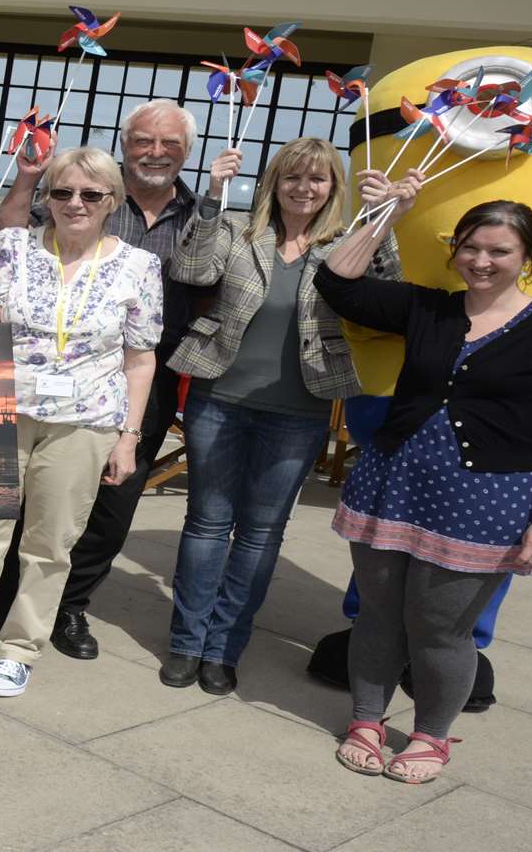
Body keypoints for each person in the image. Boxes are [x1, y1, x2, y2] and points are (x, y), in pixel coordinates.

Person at [318, 189, 532, 784]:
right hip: (390, 484)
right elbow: (338, 281)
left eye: (499, 250)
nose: (481, 260)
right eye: (470, 247)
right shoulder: (430, 310)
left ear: (527, 256)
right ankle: (367, 720)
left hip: (483, 501)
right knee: (377, 615)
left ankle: (431, 736)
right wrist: (387, 213)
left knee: (440, 627)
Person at [159, 139, 400, 695]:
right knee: (206, 525)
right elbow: (192, 271)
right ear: (273, 182)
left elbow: (383, 297)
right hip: (219, 398)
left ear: (333, 188)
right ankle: (186, 643)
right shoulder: (242, 229)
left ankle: (223, 648)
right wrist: (214, 195)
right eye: (292, 177)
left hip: (300, 408)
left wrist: (384, 217)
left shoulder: (345, 243)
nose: (303, 188)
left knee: (261, 534)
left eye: (317, 179)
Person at [0, 146, 160, 697]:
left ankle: (19, 649)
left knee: (51, 542)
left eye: (89, 194)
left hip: (85, 422)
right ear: (47, 197)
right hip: (3, 410)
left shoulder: (138, 265)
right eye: (61, 192)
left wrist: (128, 437)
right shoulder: (10, 246)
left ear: (112, 200)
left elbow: (141, 357)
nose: (74, 203)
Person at [0, 98, 201, 660]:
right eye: (144, 141)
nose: (156, 152)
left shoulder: (205, 214)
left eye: (170, 144)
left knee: (108, 509)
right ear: (125, 146)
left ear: (186, 153)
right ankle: (1, 613)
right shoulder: (85, 191)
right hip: (42, 384)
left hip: (131, 378)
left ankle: (71, 608)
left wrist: (130, 429)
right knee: (31, 507)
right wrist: (30, 177)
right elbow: (13, 246)